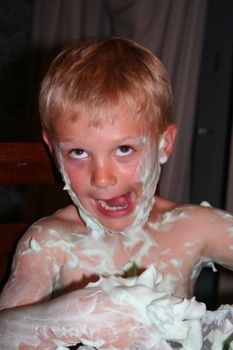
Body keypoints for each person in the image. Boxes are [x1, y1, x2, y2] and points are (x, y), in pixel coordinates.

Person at [0, 36, 232, 349]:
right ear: (54, 153)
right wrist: (65, 319)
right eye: (78, 153)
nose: (103, 178)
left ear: (163, 145)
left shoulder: (192, 228)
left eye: (124, 149)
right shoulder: (49, 242)